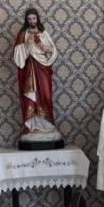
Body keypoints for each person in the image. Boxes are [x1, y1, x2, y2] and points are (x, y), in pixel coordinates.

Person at [13, 8, 63, 144]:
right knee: (31, 96)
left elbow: (53, 50)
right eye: (29, 19)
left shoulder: (43, 33)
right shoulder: (22, 34)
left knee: (46, 95)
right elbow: (17, 53)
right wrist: (26, 45)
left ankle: (48, 125)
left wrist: (48, 49)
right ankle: (32, 126)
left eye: (34, 18)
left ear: (37, 19)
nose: (32, 21)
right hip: (30, 70)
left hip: (43, 69)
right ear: (26, 20)